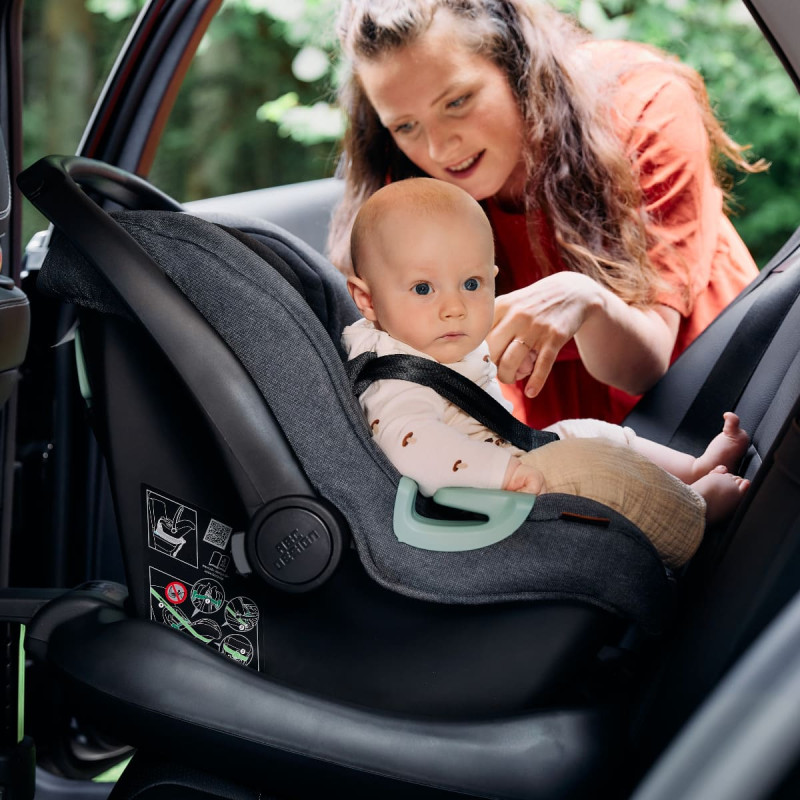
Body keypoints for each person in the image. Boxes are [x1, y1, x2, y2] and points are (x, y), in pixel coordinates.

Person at [329, 0, 767, 429]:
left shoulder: (644, 107)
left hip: (718, 398)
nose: (439, 148)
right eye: (406, 126)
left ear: (517, 64)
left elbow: (646, 367)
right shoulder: (407, 185)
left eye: (457, 101)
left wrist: (584, 299)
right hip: (564, 433)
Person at [342, 179, 750, 567]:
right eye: (423, 289)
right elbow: (411, 443)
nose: (455, 308)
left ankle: (690, 471)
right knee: (594, 468)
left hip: (507, 461)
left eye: (471, 283)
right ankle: (693, 515)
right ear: (367, 299)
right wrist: (501, 473)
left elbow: (463, 392)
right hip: (480, 498)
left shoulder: (422, 336)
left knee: (586, 431)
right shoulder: (391, 379)